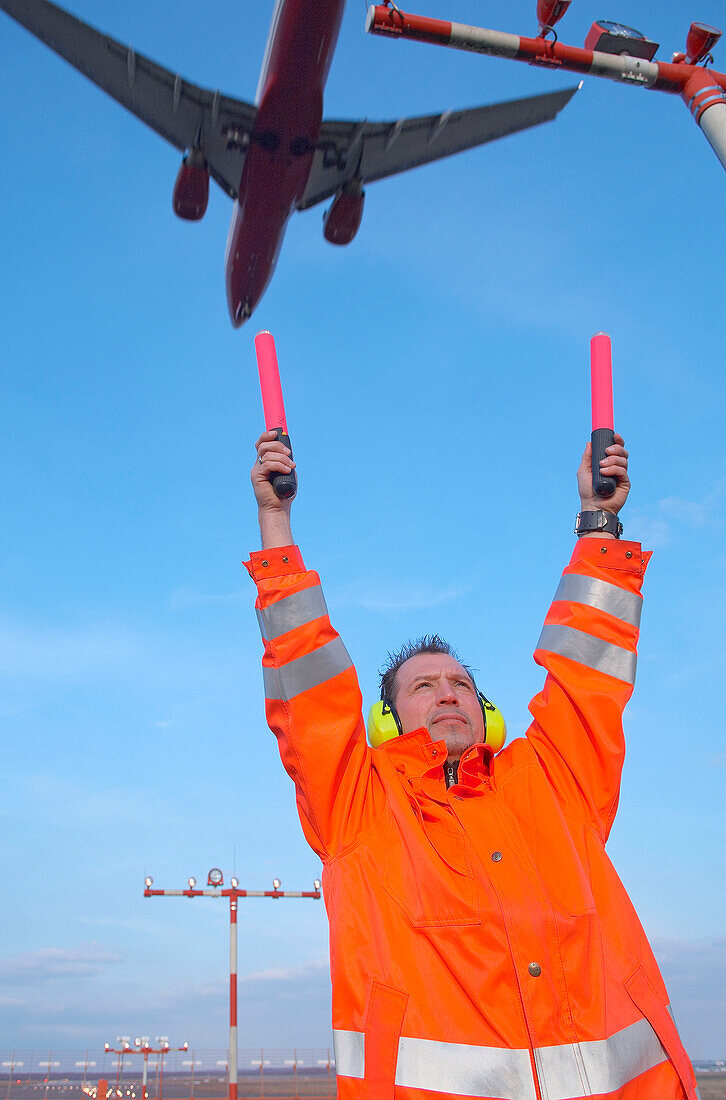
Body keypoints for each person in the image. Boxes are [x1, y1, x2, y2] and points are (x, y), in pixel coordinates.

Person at [245, 430, 699, 1100]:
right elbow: (309, 694)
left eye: (460, 684)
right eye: (422, 687)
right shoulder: (360, 809)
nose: (447, 693)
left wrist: (599, 523)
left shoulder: (552, 781)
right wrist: (276, 526)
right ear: (387, 722)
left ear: (485, 712)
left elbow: (587, 673)